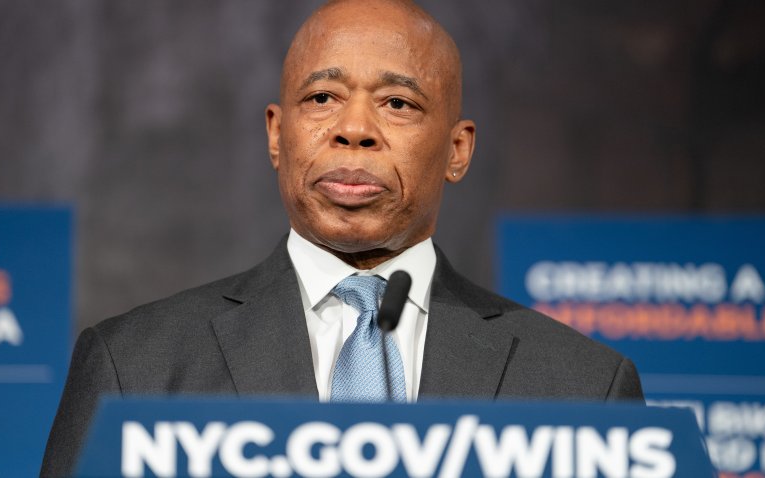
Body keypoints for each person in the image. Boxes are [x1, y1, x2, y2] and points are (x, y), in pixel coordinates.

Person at [41, 0, 644, 475]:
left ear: (457, 150)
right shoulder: (134, 369)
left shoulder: (584, 388)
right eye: (323, 98)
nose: (354, 129)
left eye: (398, 103)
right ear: (278, 135)